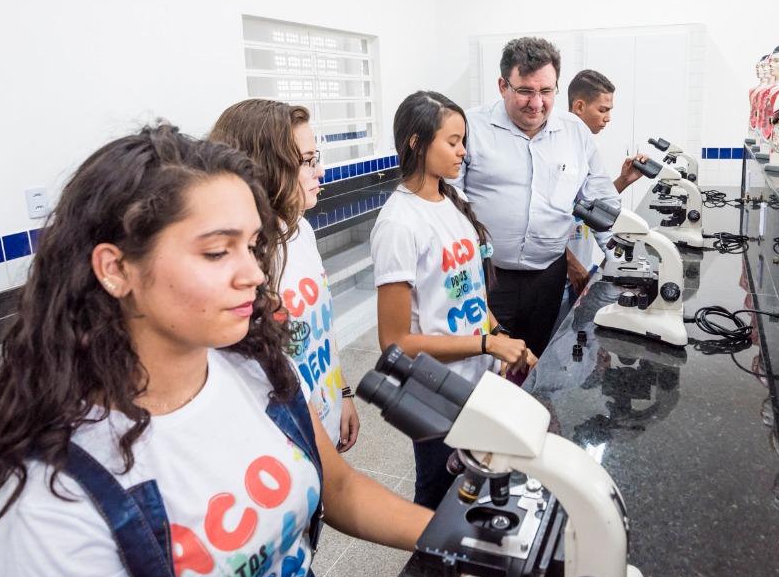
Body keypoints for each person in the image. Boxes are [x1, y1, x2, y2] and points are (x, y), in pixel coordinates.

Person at [0, 124, 428, 577]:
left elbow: (341, 487)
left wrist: (459, 534)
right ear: (116, 269)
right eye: (218, 252)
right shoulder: (55, 503)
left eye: (253, 246)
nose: (255, 276)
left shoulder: (254, 366)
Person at [371, 91, 535, 509]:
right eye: (453, 141)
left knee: (473, 492)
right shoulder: (399, 223)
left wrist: (500, 336)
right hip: (436, 393)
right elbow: (395, 344)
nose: (463, 151)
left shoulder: (451, 205)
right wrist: (487, 344)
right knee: (438, 498)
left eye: (464, 141)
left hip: (476, 383)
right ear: (416, 142)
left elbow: (470, 298)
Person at [209, 99, 358, 452]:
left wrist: (342, 391)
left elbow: (320, 332)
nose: (320, 171)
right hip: (284, 442)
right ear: (264, 167)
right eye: (306, 162)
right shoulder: (243, 260)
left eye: (315, 157)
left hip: (325, 417)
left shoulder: (300, 230)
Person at [459, 38, 620, 358]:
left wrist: (623, 260)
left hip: (548, 279)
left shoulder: (575, 132)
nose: (537, 103)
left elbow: (603, 202)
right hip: (487, 280)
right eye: (525, 91)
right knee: (488, 365)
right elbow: (449, 202)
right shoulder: (470, 126)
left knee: (540, 362)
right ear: (503, 85)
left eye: (546, 92)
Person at [566, 68, 647, 193]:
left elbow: (594, 201)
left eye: (609, 111)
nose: (608, 118)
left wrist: (624, 179)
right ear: (580, 107)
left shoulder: (588, 146)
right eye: (602, 110)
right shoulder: (558, 146)